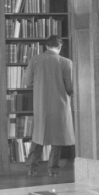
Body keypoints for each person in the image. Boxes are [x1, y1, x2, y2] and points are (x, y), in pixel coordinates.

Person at [23, 35, 74, 176]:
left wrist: (41, 85)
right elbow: (70, 87)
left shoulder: (35, 60)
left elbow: (28, 82)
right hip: (60, 105)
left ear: (46, 46)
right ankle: (53, 169)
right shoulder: (66, 62)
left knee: (39, 135)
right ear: (60, 47)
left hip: (41, 103)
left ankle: (31, 168)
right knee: (58, 137)